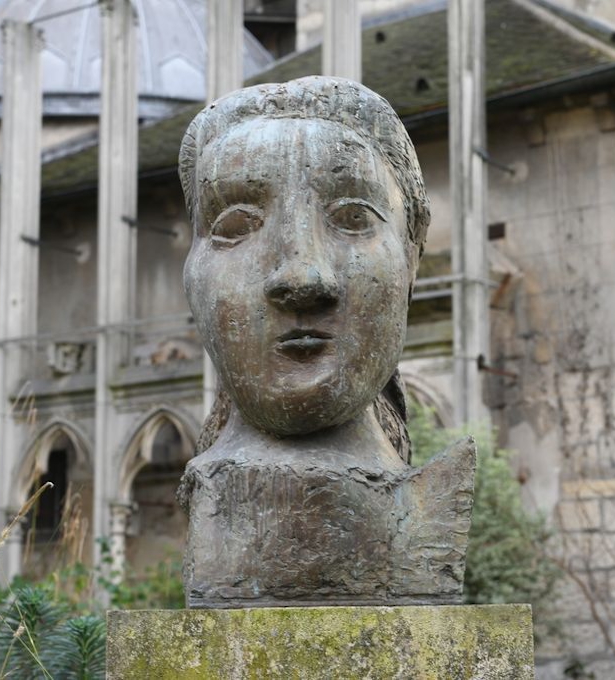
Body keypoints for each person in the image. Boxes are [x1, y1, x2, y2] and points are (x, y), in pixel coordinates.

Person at [177, 76, 472, 608]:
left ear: (412, 259)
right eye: (236, 225)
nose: (302, 277)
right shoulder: (213, 498)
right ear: (192, 276)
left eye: (352, 218)